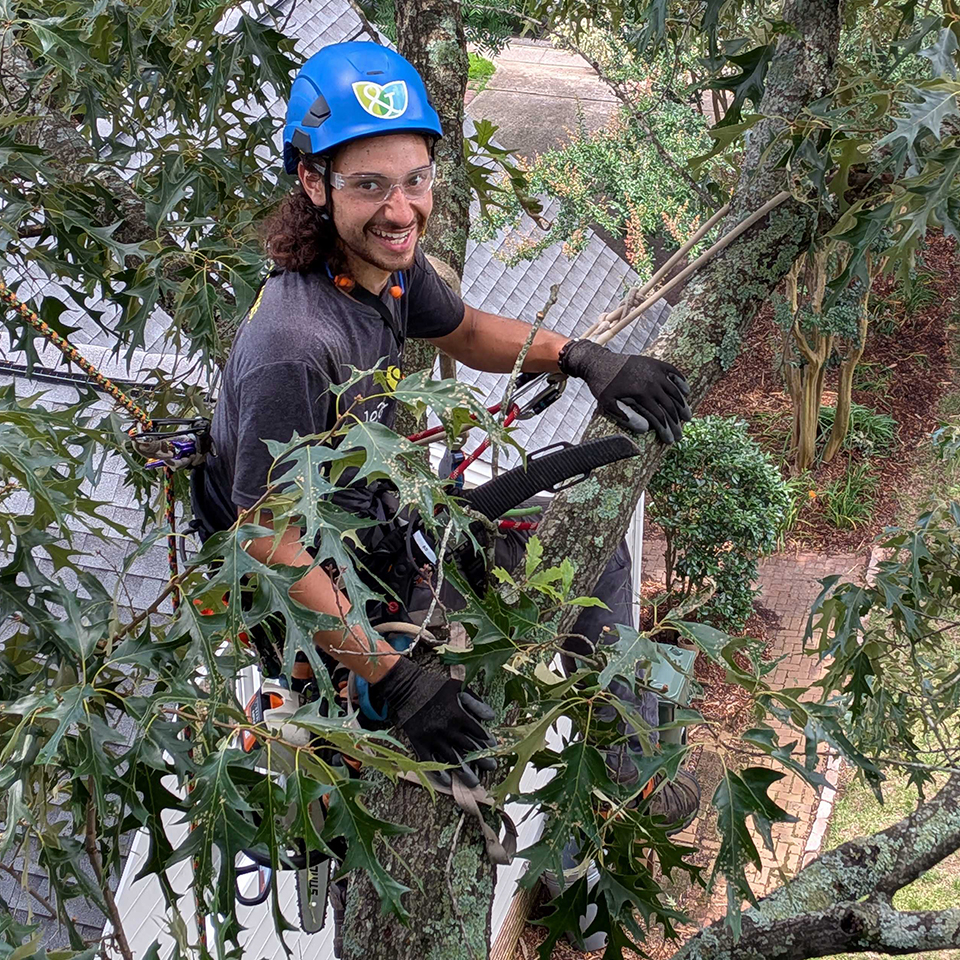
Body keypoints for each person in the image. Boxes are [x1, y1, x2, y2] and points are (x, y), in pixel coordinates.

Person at [191, 41, 697, 822]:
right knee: (461, 738)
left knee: (595, 559)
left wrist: (580, 356)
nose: (401, 211)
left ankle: (629, 775)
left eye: (415, 181)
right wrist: (395, 676)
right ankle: (494, 823)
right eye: (370, 186)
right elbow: (266, 542)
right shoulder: (294, 342)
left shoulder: (381, 269)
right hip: (324, 585)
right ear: (312, 182)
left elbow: (461, 329)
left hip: (383, 529)